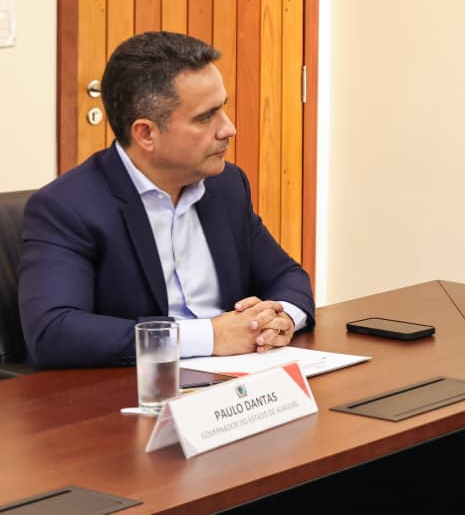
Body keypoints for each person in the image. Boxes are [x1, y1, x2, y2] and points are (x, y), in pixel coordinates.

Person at [19, 31, 315, 370]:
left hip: (236, 380)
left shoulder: (226, 186)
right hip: (134, 388)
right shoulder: (67, 207)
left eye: (223, 108)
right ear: (146, 134)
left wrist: (280, 319)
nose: (228, 129)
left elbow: (287, 276)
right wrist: (210, 336)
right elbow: (54, 331)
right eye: (205, 117)